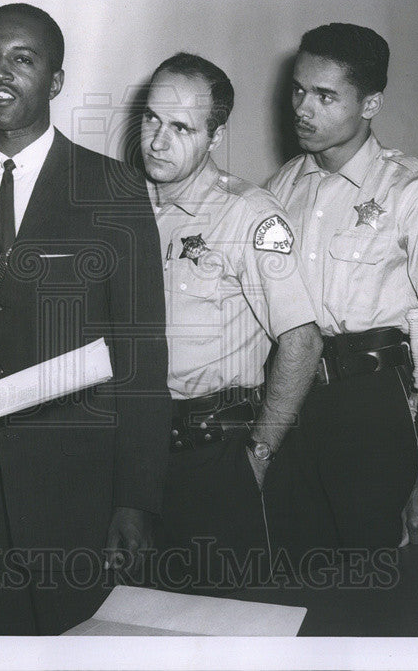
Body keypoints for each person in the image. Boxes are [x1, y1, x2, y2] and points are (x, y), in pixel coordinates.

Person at [0, 3, 171, 635]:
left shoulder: (111, 189)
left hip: (78, 497)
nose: (0, 72)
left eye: (23, 59)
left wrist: (134, 499)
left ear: (55, 80)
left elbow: (142, 355)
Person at [264, 22, 418, 553]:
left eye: (325, 96)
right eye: (297, 89)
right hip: (291, 404)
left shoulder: (414, 194)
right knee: (301, 589)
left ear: (370, 103)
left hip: (375, 407)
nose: (302, 109)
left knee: (386, 585)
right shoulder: (278, 190)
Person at [139, 53, 322, 589]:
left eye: (181, 127)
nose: (157, 141)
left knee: (228, 621)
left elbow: (303, 342)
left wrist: (258, 457)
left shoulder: (249, 215)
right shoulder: (126, 207)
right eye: (151, 119)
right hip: (144, 456)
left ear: (215, 136)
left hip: (217, 454)